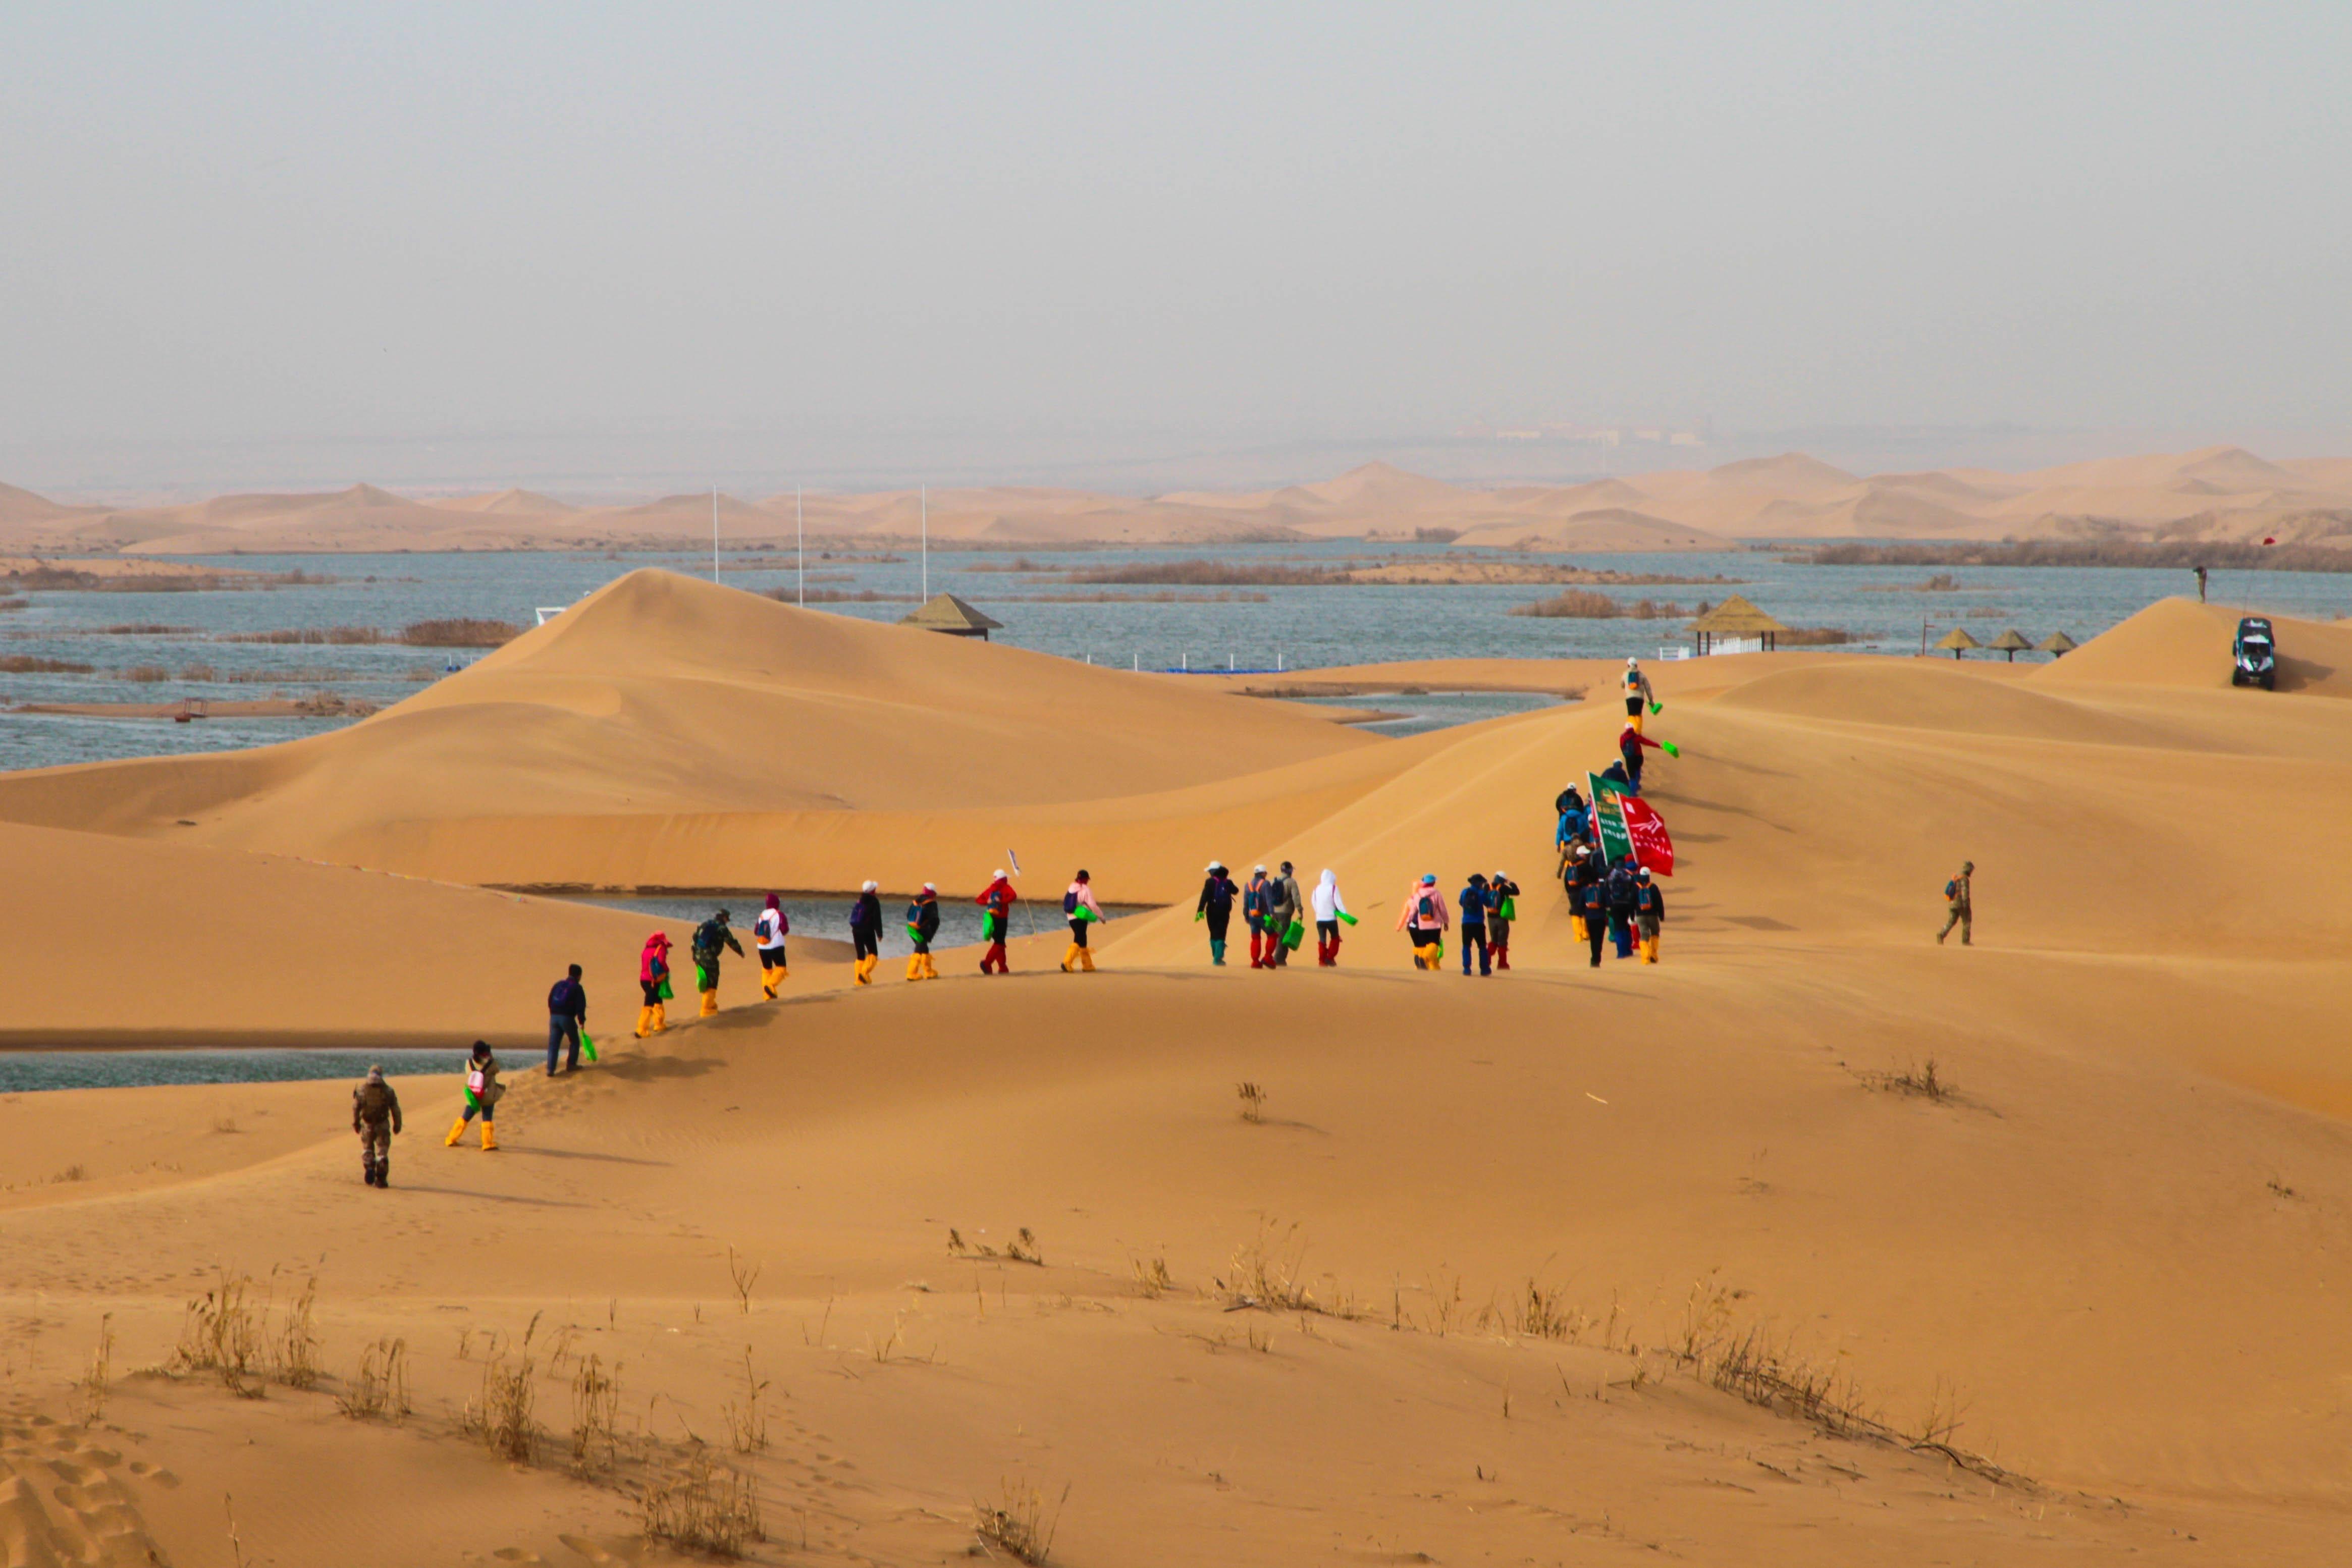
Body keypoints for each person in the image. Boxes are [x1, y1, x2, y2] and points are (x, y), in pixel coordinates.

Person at [445, 1040, 501, 1151]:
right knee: (487, 1118)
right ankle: (487, 1143)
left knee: (465, 1117)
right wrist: (491, 1057)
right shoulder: (490, 1064)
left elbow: (469, 1072)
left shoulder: (469, 1063)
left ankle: (452, 1138)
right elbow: (497, 1070)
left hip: (474, 1095)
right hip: (487, 1096)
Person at [352, 1064, 401, 1188]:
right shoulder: (388, 1091)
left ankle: (369, 1167)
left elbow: (356, 1108)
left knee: (367, 1149)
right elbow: (396, 1109)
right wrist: (397, 1125)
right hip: (383, 1125)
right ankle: (381, 1179)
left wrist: (356, 1123)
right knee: (382, 1152)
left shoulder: (362, 1090)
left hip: (367, 1125)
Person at [691, 909, 743, 1016]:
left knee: (704, 982)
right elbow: (731, 941)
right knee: (712, 985)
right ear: (724, 918)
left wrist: (695, 957)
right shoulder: (722, 928)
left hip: (698, 957)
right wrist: (740, 952)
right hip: (710, 959)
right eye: (727, 919)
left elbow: (694, 939)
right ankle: (707, 1011)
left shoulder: (704, 924)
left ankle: (710, 1006)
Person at [1396, 873, 1450, 970]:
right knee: (1434, 944)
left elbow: (1413, 910)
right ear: (1433, 883)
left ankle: (1427, 964)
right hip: (1435, 924)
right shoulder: (1437, 893)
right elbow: (1443, 909)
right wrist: (1446, 922)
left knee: (1423, 945)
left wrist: (1408, 922)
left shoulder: (1418, 894)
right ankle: (1425, 958)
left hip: (1422, 924)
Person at [546, 962, 587, 1075]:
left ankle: (550, 1069)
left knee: (553, 1044)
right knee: (574, 1041)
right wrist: (582, 1021)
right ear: (579, 976)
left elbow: (550, 1000)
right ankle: (571, 1064)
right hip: (567, 1018)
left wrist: (554, 1013)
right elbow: (581, 1006)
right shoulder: (577, 988)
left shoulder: (559, 984)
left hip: (554, 1017)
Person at [1195, 861, 1240, 965]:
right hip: (1224, 911)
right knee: (1222, 933)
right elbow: (1236, 891)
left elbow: (1204, 897)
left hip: (1211, 911)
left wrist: (1200, 911)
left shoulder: (1209, 882)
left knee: (1213, 932)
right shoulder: (1228, 882)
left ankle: (1216, 956)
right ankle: (1218, 959)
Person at [1061, 870, 1105, 972]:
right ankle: (1067, 963)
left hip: (1071, 918)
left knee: (1082, 939)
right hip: (1081, 917)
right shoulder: (1086, 890)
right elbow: (1093, 906)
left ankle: (1088, 965)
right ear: (1086, 879)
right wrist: (1102, 917)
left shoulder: (1071, 887)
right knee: (1079, 939)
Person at [976, 870, 1018, 974]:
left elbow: (979, 899)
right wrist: (1004, 902)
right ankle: (987, 963)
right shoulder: (1005, 887)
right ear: (1004, 879)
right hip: (1001, 918)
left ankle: (1003, 967)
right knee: (999, 943)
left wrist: (987, 902)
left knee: (1000, 942)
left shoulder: (991, 888)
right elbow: (1014, 896)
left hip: (991, 917)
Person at [1265, 862, 1305, 968]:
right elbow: (1296, 897)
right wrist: (1300, 910)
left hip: (1273, 912)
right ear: (1290, 871)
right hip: (1285, 912)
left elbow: (1268, 896)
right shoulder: (1291, 882)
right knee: (1282, 936)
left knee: (1274, 935)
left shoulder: (1274, 880)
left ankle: (1270, 957)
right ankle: (1279, 960)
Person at [1310, 868, 1352, 966]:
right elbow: (1339, 903)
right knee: (1335, 938)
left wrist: (1318, 912)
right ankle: (1330, 958)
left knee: (1322, 940)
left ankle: (1322, 961)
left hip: (1320, 919)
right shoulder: (1333, 888)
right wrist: (1345, 914)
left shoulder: (1316, 889)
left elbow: (1313, 902)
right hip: (1331, 919)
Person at [635, 931, 673, 1037]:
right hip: (654, 980)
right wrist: (666, 970)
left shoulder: (646, 950)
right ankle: (641, 1030)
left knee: (657, 999)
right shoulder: (661, 948)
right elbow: (661, 961)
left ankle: (659, 1024)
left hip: (643, 979)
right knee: (649, 1004)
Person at [1457, 873, 1493, 977]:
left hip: (1466, 923)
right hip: (1478, 924)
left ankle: (1467, 969)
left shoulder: (1465, 892)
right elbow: (1489, 903)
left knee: (1466, 946)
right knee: (1482, 946)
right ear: (1479, 883)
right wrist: (1487, 893)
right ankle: (1485, 969)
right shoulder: (1481, 893)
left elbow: (1461, 903)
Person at [1605, 856, 1641, 959]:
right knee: (1626, 926)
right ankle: (1628, 950)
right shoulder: (1629, 876)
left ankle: (1621, 952)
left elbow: (1606, 891)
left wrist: (1608, 905)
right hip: (1627, 904)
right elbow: (1635, 889)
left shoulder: (1610, 876)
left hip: (1614, 905)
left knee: (1618, 927)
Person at [848, 881, 884, 986]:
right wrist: (880, 934)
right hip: (868, 931)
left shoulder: (860, 900)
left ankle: (859, 980)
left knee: (860, 956)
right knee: (873, 954)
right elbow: (877, 919)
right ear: (873, 890)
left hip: (856, 931)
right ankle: (864, 974)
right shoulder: (874, 901)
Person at [1562, 843, 1597, 946]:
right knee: (1585, 911)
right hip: (1585, 891)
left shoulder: (1570, 866)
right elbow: (1593, 877)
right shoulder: (1586, 865)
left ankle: (1578, 935)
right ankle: (1586, 933)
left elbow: (1566, 881)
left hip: (1573, 892)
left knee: (1575, 912)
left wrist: (1569, 892)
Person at [755, 893, 788, 999]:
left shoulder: (762, 915)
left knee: (767, 970)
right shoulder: (779, 914)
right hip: (776, 946)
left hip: (762, 947)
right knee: (781, 968)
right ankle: (770, 985)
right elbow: (784, 930)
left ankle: (767, 996)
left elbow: (756, 931)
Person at [905, 884, 941, 980]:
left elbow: (908, 915)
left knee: (924, 949)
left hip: (911, 929)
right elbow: (935, 920)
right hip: (923, 930)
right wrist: (931, 933)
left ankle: (928, 971)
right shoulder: (931, 903)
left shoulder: (916, 901)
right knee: (919, 950)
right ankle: (912, 973)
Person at [1619, 726, 1667, 796]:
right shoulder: (1637, 737)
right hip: (1638, 758)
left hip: (1629, 759)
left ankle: (1633, 792)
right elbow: (1647, 742)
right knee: (1637, 772)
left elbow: (1622, 746)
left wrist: (1626, 755)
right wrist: (1659, 746)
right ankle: (1636, 788)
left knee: (1632, 776)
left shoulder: (1623, 737)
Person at [1488, 871, 1521, 971]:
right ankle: (1502, 964)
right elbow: (1516, 892)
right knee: (1502, 941)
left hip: (1490, 918)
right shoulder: (1503, 888)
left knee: (1494, 940)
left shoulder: (1487, 887)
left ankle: (1486, 960)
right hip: (1502, 918)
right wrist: (1510, 883)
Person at [1937, 860, 1974, 946]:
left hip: (1952, 903)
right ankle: (1965, 941)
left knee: (1952, 921)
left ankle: (1941, 934)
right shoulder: (1964, 879)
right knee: (1967, 921)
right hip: (1961, 904)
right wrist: (1966, 904)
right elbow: (1965, 892)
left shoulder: (1956, 878)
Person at [1634, 866, 1666, 963]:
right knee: (1655, 934)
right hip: (1653, 915)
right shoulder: (1653, 887)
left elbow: (1632, 902)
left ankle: (1645, 957)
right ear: (1649, 876)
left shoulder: (1636, 887)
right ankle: (1654, 955)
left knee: (1644, 935)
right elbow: (1659, 902)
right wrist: (1661, 915)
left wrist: (1632, 915)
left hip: (1640, 915)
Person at [1580, 870, 1611, 967]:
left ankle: (1594, 959)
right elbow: (1609, 903)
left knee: (1593, 939)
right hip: (1601, 917)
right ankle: (1597, 959)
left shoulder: (1584, 890)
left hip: (1590, 918)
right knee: (1599, 939)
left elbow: (1580, 905)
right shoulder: (1602, 889)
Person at [1243, 865, 1272, 968]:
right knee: (1273, 935)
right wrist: (1272, 914)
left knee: (1255, 938)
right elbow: (1269, 901)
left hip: (1252, 916)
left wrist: (1246, 915)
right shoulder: (1266, 884)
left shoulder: (1248, 885)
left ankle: (1255, 962)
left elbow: (1246, 903)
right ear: (1263, 873)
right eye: (1266, 873)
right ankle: (1268, 958)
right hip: (1264, 916)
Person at [1622, 657, 1657, 735]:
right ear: (1636, 665)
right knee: (1638, 715)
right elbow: (1648, 688)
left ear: (1628, 665)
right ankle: (1638, 732)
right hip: (1640, 699)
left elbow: (1622, 685)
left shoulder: (1625, 674)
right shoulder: (1642, 676)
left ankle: (1631, 732)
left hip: (1630, 699)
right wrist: (1651, 701)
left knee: (1631, 716)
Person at [1555, 784, 1590, 861]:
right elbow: (1588, 828)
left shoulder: (1564, 818)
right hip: (1580, 840)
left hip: (1567, 841)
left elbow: (1560, 832)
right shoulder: (1581, 816)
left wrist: (1558, 844)